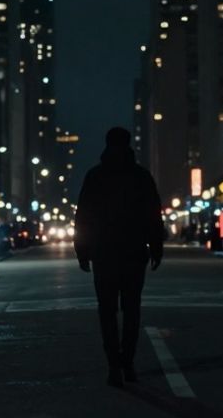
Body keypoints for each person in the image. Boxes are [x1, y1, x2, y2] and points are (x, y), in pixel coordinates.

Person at [74, 126, 165, 387]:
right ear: (128, 145)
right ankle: (128, 362)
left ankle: (114, 364)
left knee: (107, 311)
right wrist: (156, 247)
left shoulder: (95, 176)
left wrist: (82, 251)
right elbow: (153, 216)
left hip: (104, 253)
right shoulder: (141, 177)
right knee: (131, 310)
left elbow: (83, 218)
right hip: (134, 252)